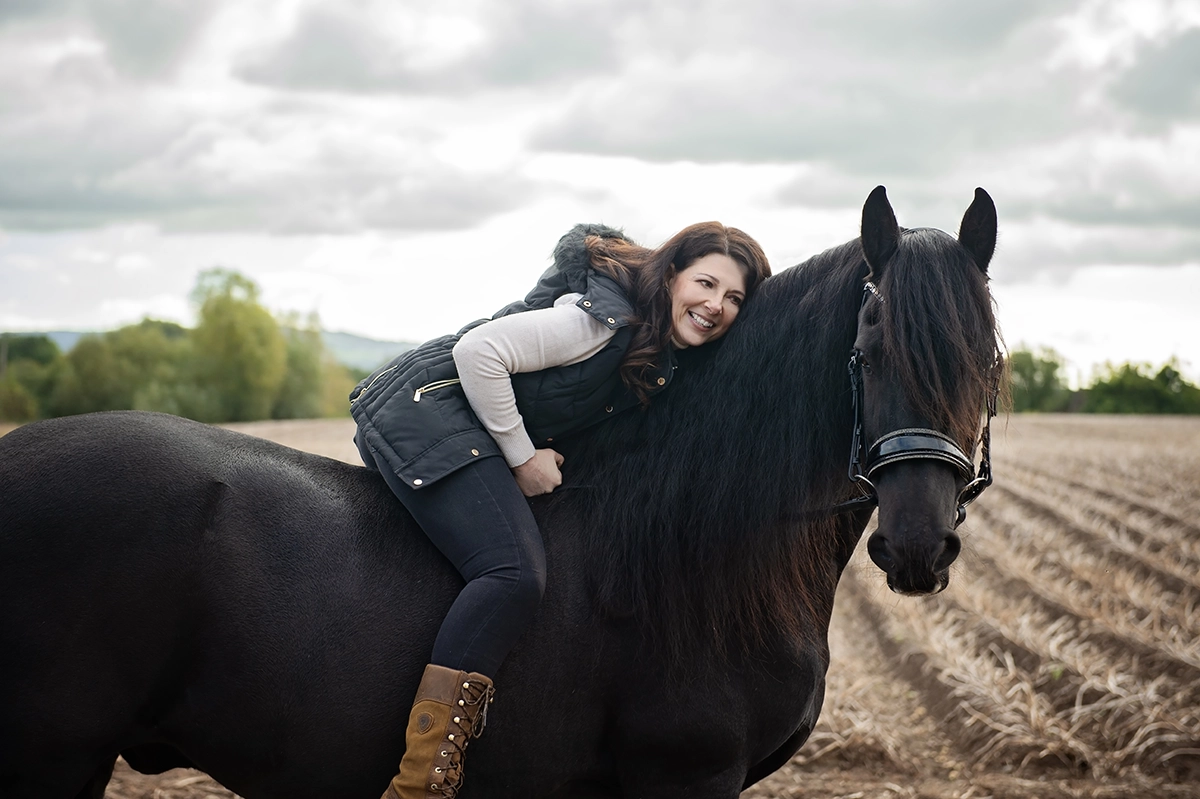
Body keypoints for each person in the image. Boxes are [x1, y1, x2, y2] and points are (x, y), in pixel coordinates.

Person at [350, 221, 771, 799]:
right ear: (672, 276)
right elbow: (481, 352)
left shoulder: (656, 349)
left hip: (468, 428)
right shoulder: (601, 322)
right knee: (513, 573)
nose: (715, 305)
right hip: (427, 412)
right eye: (706, 283)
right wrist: (523, 457)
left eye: (734, 299)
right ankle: (418, 783)